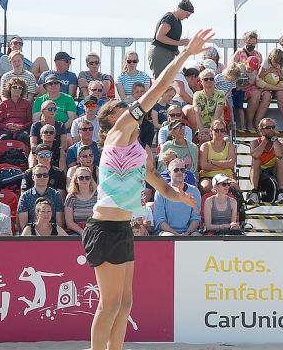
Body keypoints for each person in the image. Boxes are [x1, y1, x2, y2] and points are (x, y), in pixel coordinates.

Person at [84, 27, 210, 350]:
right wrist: (186, 53)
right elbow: (159, 87)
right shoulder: (117, 134)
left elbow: (159, 186)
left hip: (123, 228)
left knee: (125, 305)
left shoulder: (139, 152)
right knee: (108, 305)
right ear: (110, 120)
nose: (123, 107)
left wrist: (179, 195)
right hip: (104, 227)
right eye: (116, 107)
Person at [148, 0, 193, 77]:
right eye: (187, 14)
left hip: (168, 54)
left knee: (168, 84)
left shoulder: (177, 21)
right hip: (161, 53)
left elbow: (170, 39)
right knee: (161, 83)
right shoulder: (169, 18)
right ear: (182, 10)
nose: (187, 17)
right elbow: (159, 36)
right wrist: (179, 43)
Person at [248, 118, 283, 204]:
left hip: (273, 171)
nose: (271, 130)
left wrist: (274, 140)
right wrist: (265, 140)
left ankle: (281, 193)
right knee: (256, 160)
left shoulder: (281, 142)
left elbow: (280, 154)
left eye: (273, 127)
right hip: (259, 171)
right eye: (268, 128)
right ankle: (254, 192)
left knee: (280, 160)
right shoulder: (255, 142)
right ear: (261, 130)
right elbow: (255, 155)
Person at [17, 164, 66, 231]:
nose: (42, 177)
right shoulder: (25, 196)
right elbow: (23, 224)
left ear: (48, 177)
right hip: (31, 235)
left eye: (45, 175)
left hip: (53, 235)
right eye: (39, 175)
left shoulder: (56, 195)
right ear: (33, 177)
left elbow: (60, 223)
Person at [198, 119, 237, 195]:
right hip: (208, 176)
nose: (219, 133)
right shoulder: (205, 146)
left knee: (234, 186)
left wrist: (213, 162)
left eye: (222, 130)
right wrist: (224, 165)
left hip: (226, 176)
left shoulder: (230, 146)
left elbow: (231, 164)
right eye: (216, 130)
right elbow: (204, 166)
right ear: (211, 131)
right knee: (205, 186)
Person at [0, 78, 33, 145]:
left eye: (20, 88)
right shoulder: (3, 104)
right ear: (10, 89)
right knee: (4, 137)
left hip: (22, 130)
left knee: (24, 137)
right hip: (6, 130)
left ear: (22, 90)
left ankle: (24, 155)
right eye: (14, 87)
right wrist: (7, 126)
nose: (17, 89)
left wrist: (22, 127)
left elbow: (30, 121)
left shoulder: (27, 104)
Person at [64, 166, 98, 236]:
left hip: (95, 230)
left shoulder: (97, 196)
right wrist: (82, 232)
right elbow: (69, 223)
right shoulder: (71, 197)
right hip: (76, 232)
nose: (84, 180)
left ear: (91, 179)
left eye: (87, 177)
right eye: (81, 178)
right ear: (76, 180)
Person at [192, 69, 226, 135]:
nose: (209, 81)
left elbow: (217, 114)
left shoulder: (221, 94)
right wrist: (202, 130)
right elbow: (197, 114)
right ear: (201, 81)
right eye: (206, 79)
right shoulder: (197, 94)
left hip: (218, 128)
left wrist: (211, 130)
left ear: (214, 81)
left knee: (226, 140)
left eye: (211, 79)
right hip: (202, 128)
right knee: (204, 138)